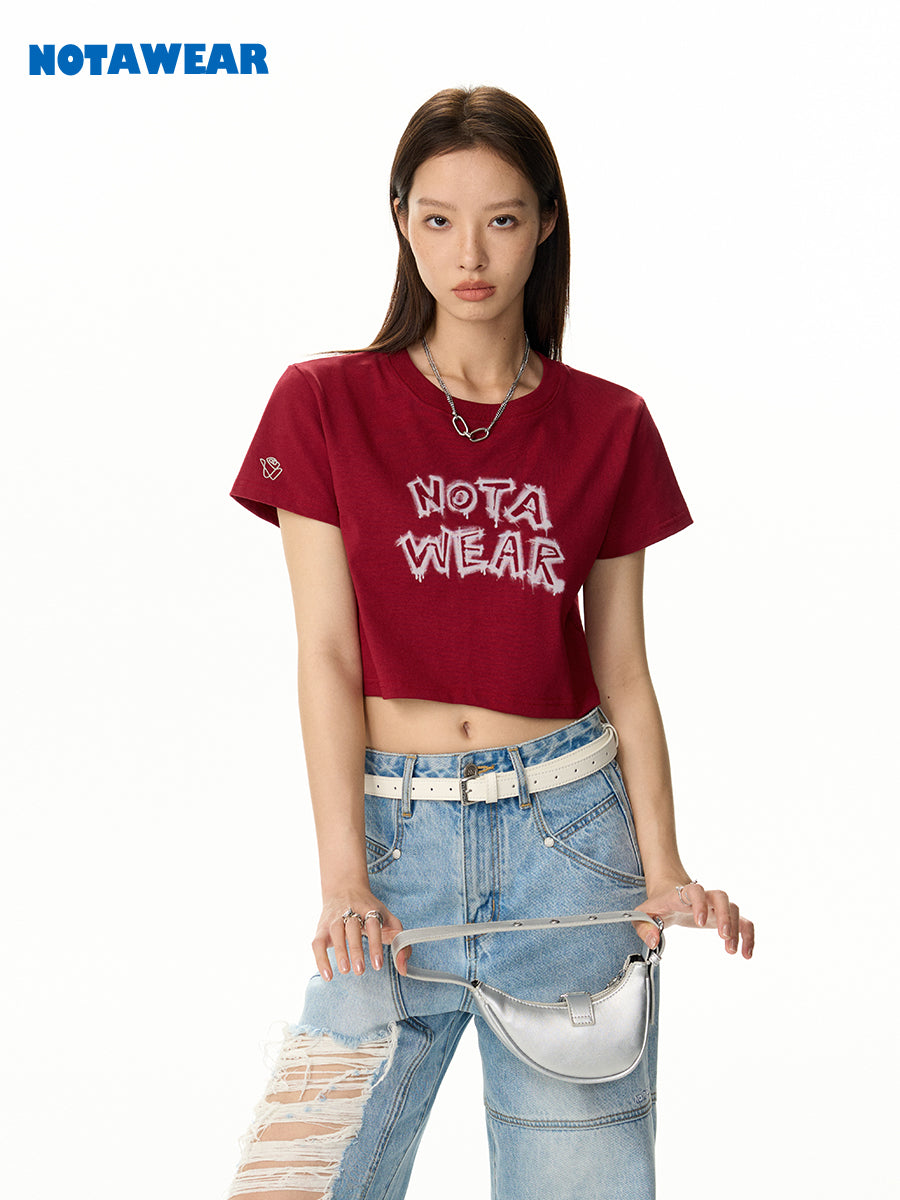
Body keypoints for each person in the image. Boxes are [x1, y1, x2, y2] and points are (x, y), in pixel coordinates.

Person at [223, 85, 754, 1200]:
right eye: (439, 219)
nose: (470, 254)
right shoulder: (322, 404)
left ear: (545, 223)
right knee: (297, 1178)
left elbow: (623, 672)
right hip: (393, 847)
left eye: (502, 219)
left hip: (571, 846)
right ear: (402, 221)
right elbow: (326, 655)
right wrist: (343, 875)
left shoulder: (609, 423)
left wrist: (664, 870)